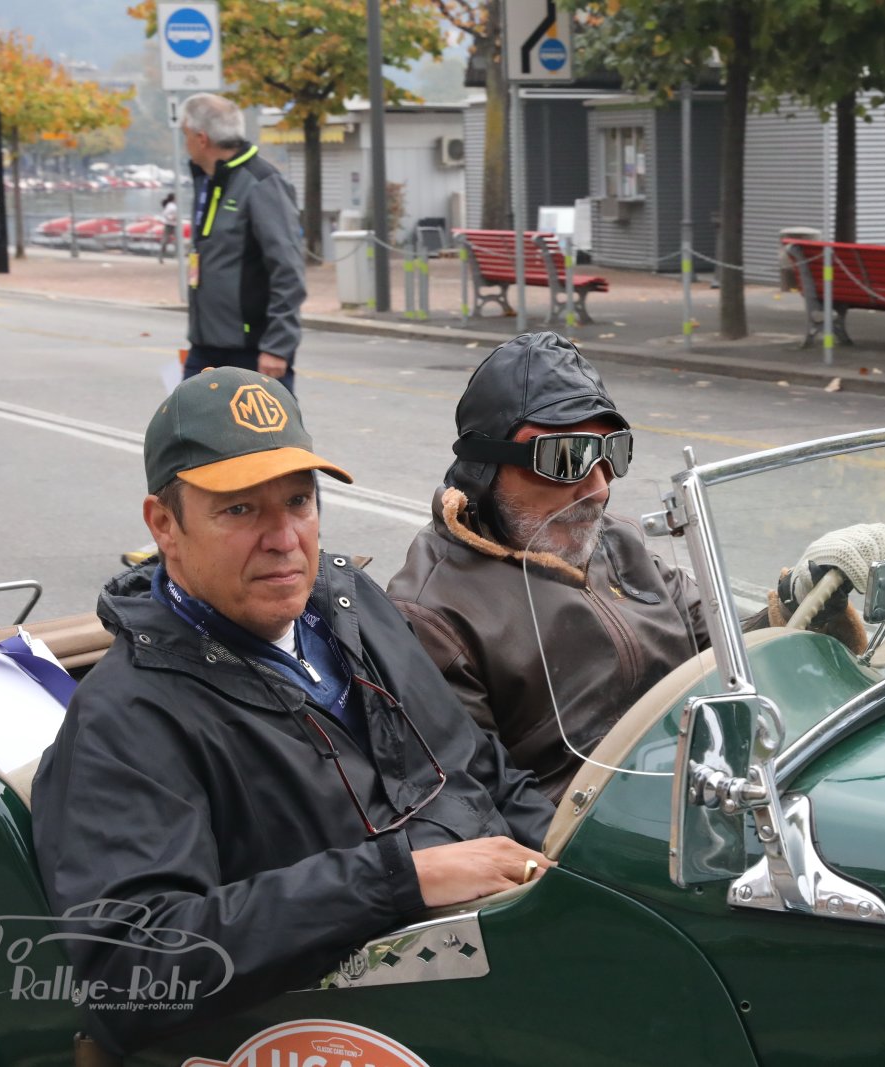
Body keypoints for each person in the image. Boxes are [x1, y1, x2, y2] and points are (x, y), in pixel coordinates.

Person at [32, 367, 554, 1055]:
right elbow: (132, 971)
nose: (284, 537)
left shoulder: (351, 604)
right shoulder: (128, 715)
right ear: (164, 525)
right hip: (361, 1022)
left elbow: (478, 769)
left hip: (509, 952)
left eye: (299, 501)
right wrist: (399, 879)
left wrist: (578, 861)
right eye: (240, 510)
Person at [387, 333, 879, 801]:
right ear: (484, 467)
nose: (598, 488)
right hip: (591, 834)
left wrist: (795, 608)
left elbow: (715, 656)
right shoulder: (433, 613)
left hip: (709, 781)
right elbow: (478, 798)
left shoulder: (619, 543)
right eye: (566, 458)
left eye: (611, 454)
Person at [179, 93, 306, 392]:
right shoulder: (208, 180)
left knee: (265, 425)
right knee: (185, 420)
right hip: (205, 347)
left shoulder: (262, 183)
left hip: (253, 351)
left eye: (185, 134)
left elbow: (288, 269)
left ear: (201, 138)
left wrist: (277, 346)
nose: (184, 143)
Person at [157, 192, 179, 263]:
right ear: (173, 198)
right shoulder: (171, 206)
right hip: (171, 225)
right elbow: (165, 213)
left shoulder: (171, 205)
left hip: (171, 224)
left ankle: (162, 256)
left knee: (166, 241)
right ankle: (177, 255)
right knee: (170, 240)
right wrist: (171, 218)